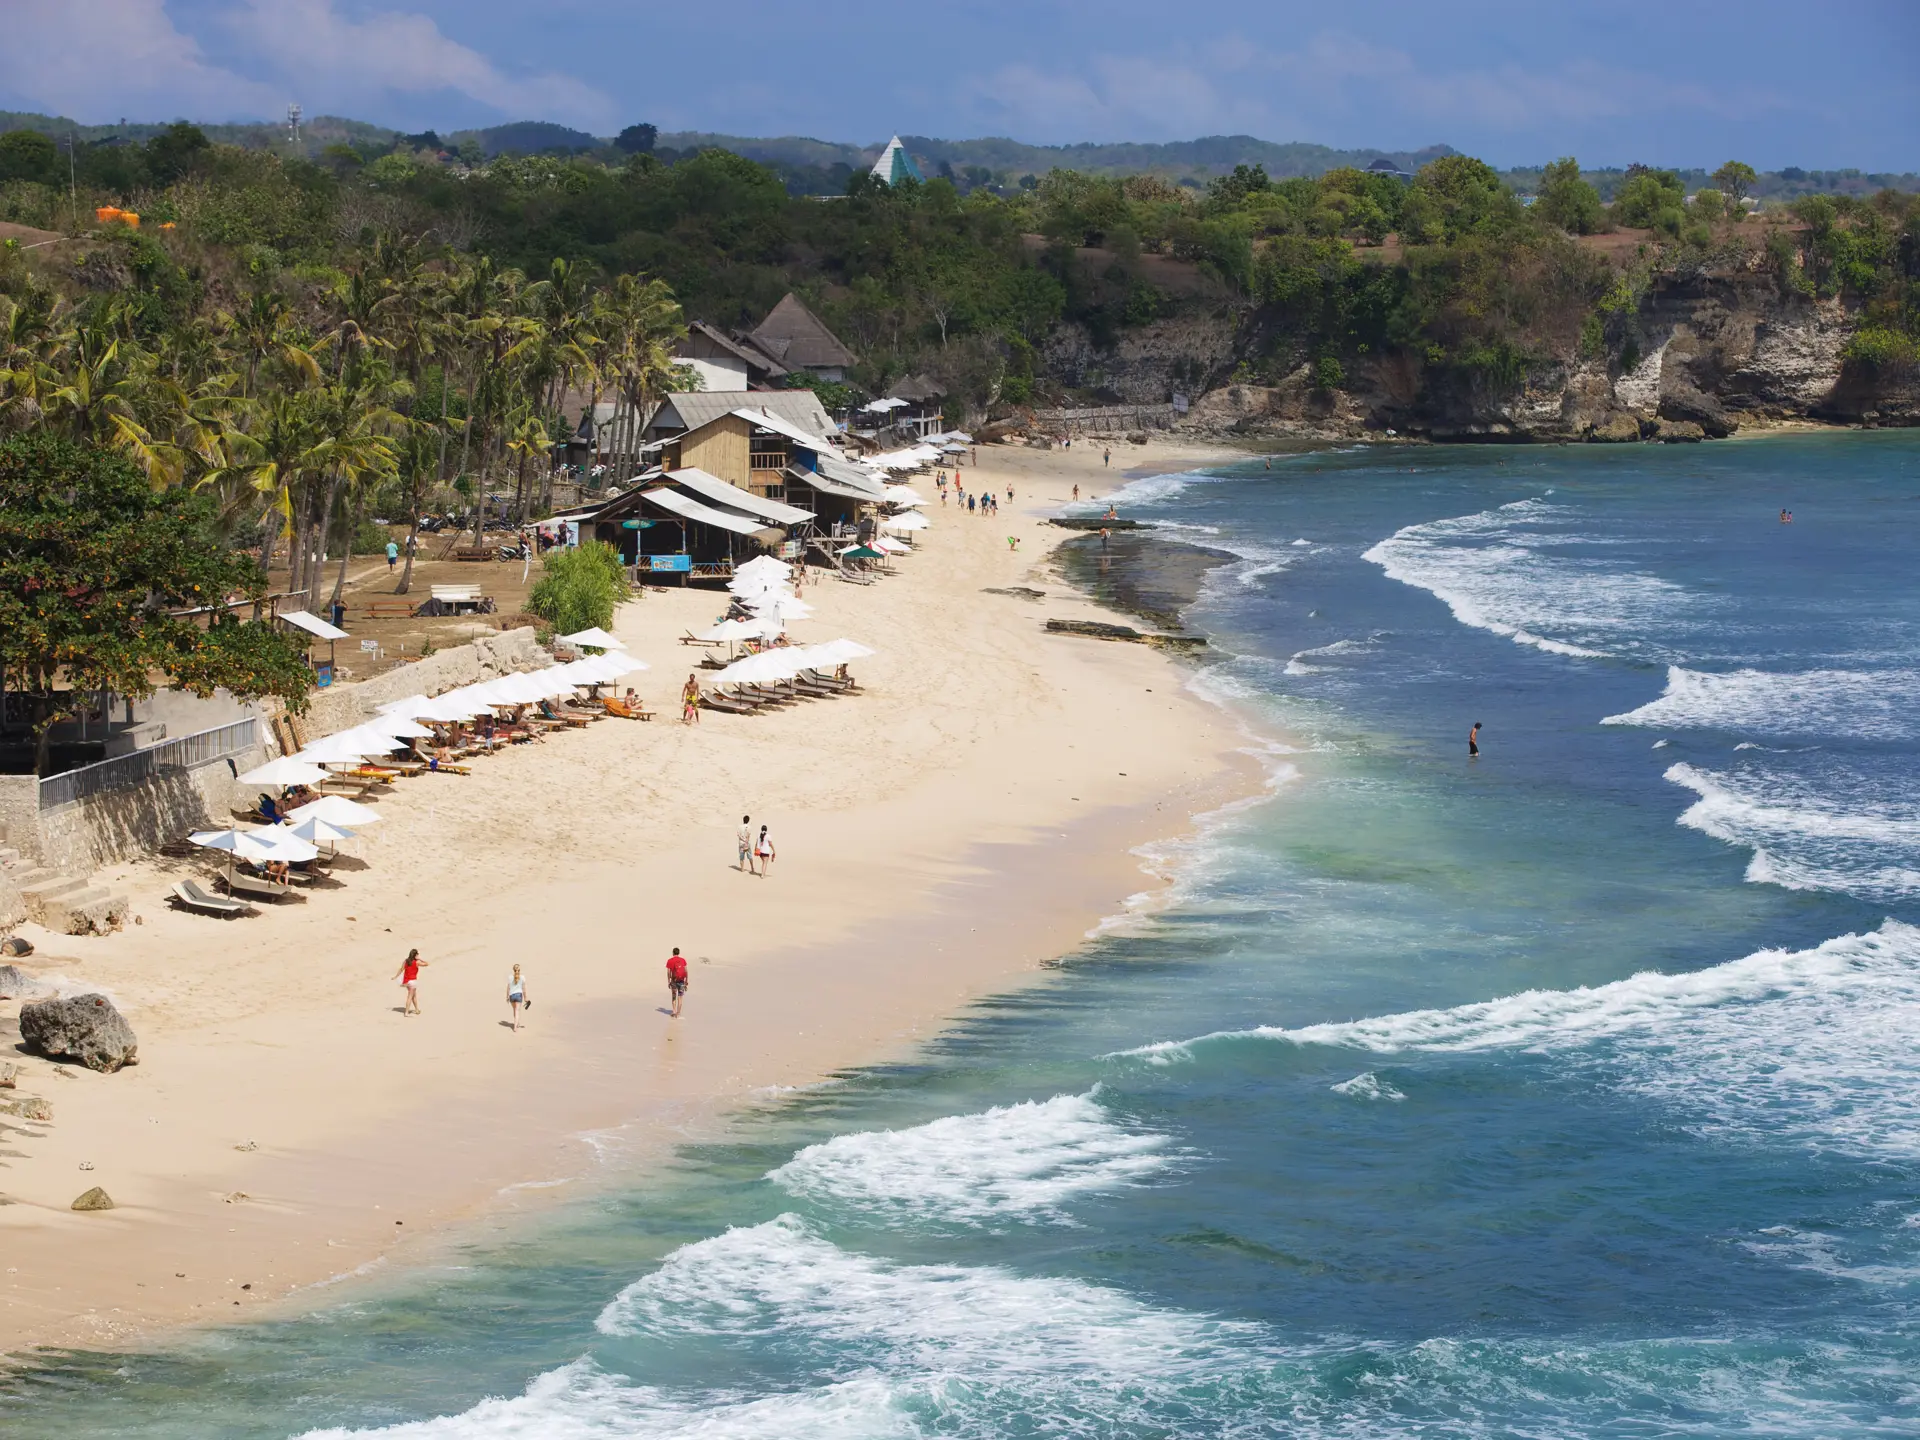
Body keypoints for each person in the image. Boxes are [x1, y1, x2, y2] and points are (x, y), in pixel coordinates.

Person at [394, 948, 427, 1016]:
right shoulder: (417, 962)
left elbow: (401, 969)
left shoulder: (406, 961)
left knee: (413, 996)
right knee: (410, 996)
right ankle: (406, 1012)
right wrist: (420, 959)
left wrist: (395, 976)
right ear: (415, 955)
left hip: (407, 981)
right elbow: (427, 964)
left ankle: (417, 1009)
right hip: (413, 982)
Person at [666, 947, 689, 1017]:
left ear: (673, 953)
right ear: (678, 953)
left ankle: (674, 1011)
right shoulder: (683, 960)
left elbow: (668, 972)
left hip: (674, 981)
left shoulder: (670, 961)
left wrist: (669, 981)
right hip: (682, 981)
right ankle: (678, 1013)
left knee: (674, 996)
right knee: (680, 997)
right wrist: (686, 981)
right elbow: (686, 971)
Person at [507, 963, 529, 1032]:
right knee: (517, 1011)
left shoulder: (510, 977)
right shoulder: (522, 977)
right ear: (519, 970)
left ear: (513, 970)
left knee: (514, 1010)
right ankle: (515, 1027)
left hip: (512, 996)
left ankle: (517, 1023)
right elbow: (524, 988)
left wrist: (507, 996)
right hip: (518, 995)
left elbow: (508, 988)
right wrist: (525, 998)